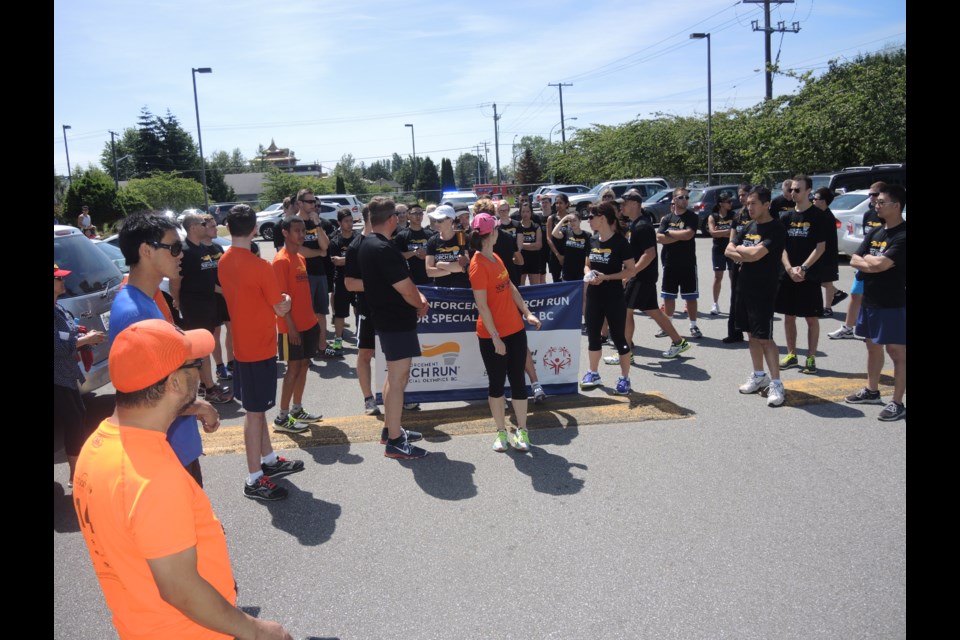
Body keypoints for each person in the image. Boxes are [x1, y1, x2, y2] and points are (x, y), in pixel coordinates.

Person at [73, 319, 293, 640]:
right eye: (196, 364)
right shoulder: (154, 477)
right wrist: (258, 630)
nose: (203, 370)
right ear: (174, 382)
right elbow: (180, 589)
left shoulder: (96, 448)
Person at [109, 212, 219, 487]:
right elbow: (143, 399)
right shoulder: (134, 313)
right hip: (165, 453)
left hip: (176, 445)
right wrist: (197, 407)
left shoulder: (152, 297)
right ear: (146, 251)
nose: (180, 255)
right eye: (174, 248)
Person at [219, 205, 304, 501]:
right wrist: (288, 298)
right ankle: (254, 477)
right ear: (255, 229)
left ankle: (267, 460)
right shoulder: (260, 266)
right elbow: (281, 304)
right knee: (255, 414)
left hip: (244, 346)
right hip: (259, 347)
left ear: (229, 228)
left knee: (258, 408)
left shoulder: (224, 260)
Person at [357, 196, 431, 459]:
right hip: (396, 321)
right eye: (397, 217)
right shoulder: (383, 248)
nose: (399, 221)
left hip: (388, 320)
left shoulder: (368, 243)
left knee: (393, 378)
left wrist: (415, 298)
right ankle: (396, 441)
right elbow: (405, 288)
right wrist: (419, 302)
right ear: (390, 220)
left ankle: (391, 429)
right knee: (399, 380)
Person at [468, 212, 542, 452]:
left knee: (519, 381)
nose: (501, 232)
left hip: (516, 330)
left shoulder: (496, 256)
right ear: (492, 234)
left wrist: (527, 312)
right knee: (497, 384)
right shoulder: (477, 265)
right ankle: (501, 432)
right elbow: (482, 305)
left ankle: (523, 431)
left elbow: (509, 286)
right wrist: (496, 338)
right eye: (498, 229)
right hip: (492, 336)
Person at [845, 185, 906, 421]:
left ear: (896, 205)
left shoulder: (903, 235)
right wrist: (873, 261)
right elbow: (853, 259)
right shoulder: (876, 232)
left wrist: (871, 261)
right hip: (870, 301)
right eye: (876, 202)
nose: (876, 205)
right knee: (872, 347)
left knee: (897, 352)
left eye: (881, 202)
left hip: (892, 302)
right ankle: (872, 391)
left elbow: (881, 266)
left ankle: (898, 403)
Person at [725, 187, 788, 407]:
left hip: (763, 290)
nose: (749, 207)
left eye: (753, 203)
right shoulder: (749, 226)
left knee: (764, 338)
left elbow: (754, 255)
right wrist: (743, 251)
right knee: (751, 335)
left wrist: (741, 252)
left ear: (766, 204)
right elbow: (728, 250)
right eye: (747, 204)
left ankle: (777, 383)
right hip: (743, 288)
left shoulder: (776, 229)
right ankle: (759, 375)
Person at [616, 191, 691, 361]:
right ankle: (679, 342)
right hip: (644, 276)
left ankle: (626, 353)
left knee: (626, 311)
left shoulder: (642, 226)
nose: (622, 207)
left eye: (624, 203)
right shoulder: (635, 224)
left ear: (635, 204)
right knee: (654, 311)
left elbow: (649, 254)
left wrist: (630, 273)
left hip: (641, 277)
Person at [169, 213, 233, 404]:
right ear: (193, 227)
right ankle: (210, 389)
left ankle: (206, 385)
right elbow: (175, 280)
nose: (207, 225)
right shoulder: (186, 251)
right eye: (203, 223)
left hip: (208, 304)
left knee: (206, 345)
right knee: (201, 349)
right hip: (194, 306)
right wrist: (177, 300)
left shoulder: (201, 249)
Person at [55, 263, 107, 487]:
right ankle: (76, 476)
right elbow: (57, 346)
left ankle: (77, 471)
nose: (63, 281)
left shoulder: (58, 307)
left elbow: (67, 332)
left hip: (65, 375)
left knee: (77, 416)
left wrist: (83, 333)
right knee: (75, 419)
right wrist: (86, 340)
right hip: (57, 377)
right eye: (58, 278)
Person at [272, 215, 324, 433]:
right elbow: (280, 299)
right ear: (285, 233)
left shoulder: (300, 258)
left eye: (304, 231)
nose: (302, 235)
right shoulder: (281, 261)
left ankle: (297, 409)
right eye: (297, 231)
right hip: (291, 327)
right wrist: (291, 327)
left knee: (303, 366)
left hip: (308, 324)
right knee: (292, 369)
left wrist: (313, 323)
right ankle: (282, 417)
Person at [580, 202, 635, 394]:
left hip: (614, 297)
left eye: (591, 217)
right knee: (593, 337)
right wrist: (589, 274)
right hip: (594, 296)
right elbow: (587, 264)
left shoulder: (620, 242)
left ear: (602, 218)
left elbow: (631, 269)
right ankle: (593, 373)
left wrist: (607, 277)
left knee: (619, 338)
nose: (588, 220)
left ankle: (624, 378)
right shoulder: (592, 240)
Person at [776, 175, 829, 375]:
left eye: (798, 190)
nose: (793, 193)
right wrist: (790, 269)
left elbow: (821, 247)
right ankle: (791, 354)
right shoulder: (785, 217)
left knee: (811, 318)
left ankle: (811, 357)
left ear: (808, 191)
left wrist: (804, 268)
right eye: (791, 190)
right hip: (788, 275)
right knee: (789, 317)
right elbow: (782, 248)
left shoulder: (818, 216)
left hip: (809, 275)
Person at [828, 181, 887, 340]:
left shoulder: (887, 216)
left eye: (874, 195)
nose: (871, 198)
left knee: (880, 300)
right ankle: (848, 327)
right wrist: (863, 259)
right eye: (870, 195)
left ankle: (879, 329)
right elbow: (865, 240)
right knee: (855, 294)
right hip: (864, 263)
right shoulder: (868, 215)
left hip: (882, 265)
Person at [293, 189, 338, 359]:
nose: (314, 205)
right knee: (304, 314)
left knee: (321, 313)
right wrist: (319, 253)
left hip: (319, 274)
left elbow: (325, 246)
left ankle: (321, 347)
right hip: (302, 274)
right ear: (300, 203)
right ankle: (305, 352)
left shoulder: (316, 222)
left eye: (315, 202)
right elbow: (299, 250)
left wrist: (318, 225)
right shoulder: (294, 223)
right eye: (310, 202)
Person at [656, 187, 702, 338]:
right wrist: (678, 236)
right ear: (674, 200)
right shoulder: (667, 218)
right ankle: (667, 326)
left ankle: (693, 326)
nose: (685, 200)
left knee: (690, 297)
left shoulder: (692, 217)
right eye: (682, 197)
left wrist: (668, 233)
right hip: (670, 263)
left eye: (687, 197)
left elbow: (688, 234)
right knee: (668, 296)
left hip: (688, 263)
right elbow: (659, 238)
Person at [201, 213, 236, 381]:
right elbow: (203, 281)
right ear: (202, 228)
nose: (216, 228)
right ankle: (220, 367)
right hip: (210, 298)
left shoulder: (217, 248)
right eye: (212, 226)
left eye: (215, 225)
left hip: (224, 296)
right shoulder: (197, 250)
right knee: (215, 332)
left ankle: (232, 362)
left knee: (232, 328)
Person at [722, 184, 753, 344]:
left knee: (751, 297)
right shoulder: (737, 215)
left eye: (745, 194)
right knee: (735, 296)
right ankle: (735, 332)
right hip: (736, 260)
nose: (741, 198)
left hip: (752, 261)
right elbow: (732, 239)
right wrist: (735, 255)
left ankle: (752, 331)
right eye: (740, 195)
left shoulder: (756, 215)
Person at [812, 187, 846, 317]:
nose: (813, 200)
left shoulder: (826, 217)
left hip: (827, 255)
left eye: (816, 198)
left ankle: (828, 307)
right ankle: (835, 296)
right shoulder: (820, 214)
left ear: (824, 201)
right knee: (823, 280)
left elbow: (824, 240)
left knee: (825, 281)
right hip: (823, 254)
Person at [328, 208, 357, 354]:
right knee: (340, 314)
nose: (350, 224)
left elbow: (362, 258)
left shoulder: (358, 238)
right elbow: (336, 262)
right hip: (341, 282)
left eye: (351, 221)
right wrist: (353, 259)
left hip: (358, 281)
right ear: (339, 222)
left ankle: (361, 338)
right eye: (346, 221)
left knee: (359, 310)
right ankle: (338, 342)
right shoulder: (335, 241)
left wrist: (345, 260)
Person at [425, 204, 471, 288]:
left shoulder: (462, 237)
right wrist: (451, 269)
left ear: (450, 220)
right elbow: (429, 272)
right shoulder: (432, 240)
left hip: (461, 289)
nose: (436, 223)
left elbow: (463, 266)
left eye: (440, 220)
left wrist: (439, 264)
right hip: (441, 291)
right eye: (435, 220)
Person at [707, 194, 737, 316]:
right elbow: (713, 233)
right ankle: (715, 304)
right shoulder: (713, 216)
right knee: (718, 277)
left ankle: (734, 303)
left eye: (731, 201)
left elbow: (736, 233)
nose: (731, 203)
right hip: (718, 249)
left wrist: (722, 232)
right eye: (728, 201)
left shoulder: (734, 215)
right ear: (721, 204)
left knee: (733, 276)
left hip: (731, 248)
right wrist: (728, 231)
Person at [394, 202, 436, 286]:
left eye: (420, 213)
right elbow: (397, 257)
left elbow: (437, 255)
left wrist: (427, 256)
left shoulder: (430, 234)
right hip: (410, 280)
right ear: (408, 215)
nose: (418, 216)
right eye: (415, 213)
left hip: (429, 280)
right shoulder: (402, 235)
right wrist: (414, 253)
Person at [493, 199, 523, 287]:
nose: (503, 212)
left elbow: (520, 244)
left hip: (514, 259)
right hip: (499, 260)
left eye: (505, 210)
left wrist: (515, 255)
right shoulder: (495, 226)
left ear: (509, 210)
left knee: (515, 284)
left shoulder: (516, 224)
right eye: (501, 210)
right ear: (497, 211)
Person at [518, 200, 544, 285]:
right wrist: (532, 245)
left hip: (534, 260)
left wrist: (521, 245)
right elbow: (516, 246)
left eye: (528, 211)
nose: (525, 214)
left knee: (535, 287)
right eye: (523, 211)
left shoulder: (536, 227)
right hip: (520, 259)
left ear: (531, 213)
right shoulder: (517, 226)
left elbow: (539, 245)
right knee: (520, 287)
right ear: (520, 213)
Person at [544, 194, 569, 284]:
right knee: (557, 281)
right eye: (556, 203)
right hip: (555, 254)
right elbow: (548, 238)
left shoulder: (571, 218)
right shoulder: (551, 218)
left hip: (569, 253)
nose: (558, 205)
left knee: (569, 280)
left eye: (561, 203)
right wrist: (558, 256)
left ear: (566, 204)